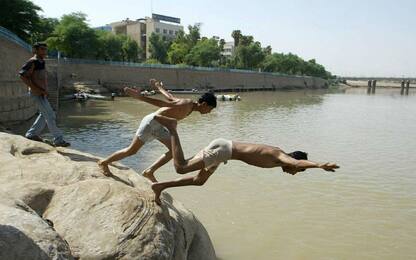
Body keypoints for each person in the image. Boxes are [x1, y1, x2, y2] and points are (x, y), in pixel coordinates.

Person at [151, 116, 340, 204]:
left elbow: (295, 163)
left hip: (225, 153)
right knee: (182, 167)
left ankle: (160, 186)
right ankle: (173, 128)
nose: (293, 173)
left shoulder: (279, 158)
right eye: (297, 171)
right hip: (224, 150)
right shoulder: (280, 157)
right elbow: (297, 163)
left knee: (199, 181)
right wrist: (319, 165)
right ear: (294, 161)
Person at [98, 79, 217, 180]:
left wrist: (159, 87)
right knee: (132, 151)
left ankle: (149, 172)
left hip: (160, 126)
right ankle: (104, 163)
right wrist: (140, 97)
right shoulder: (187, 104)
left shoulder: (190, 107)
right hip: (151, 122)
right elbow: (163, 104)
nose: (209, 112)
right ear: (204, 104)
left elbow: (170, 97)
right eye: (210, 109)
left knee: (173, 152)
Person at [19, 42, 70, 147]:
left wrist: (44, 91)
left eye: (45, 49)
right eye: (42, 49)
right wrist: (36, 89)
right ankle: (58, 139)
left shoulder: (41, 61)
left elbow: (41, 78)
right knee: (50, 115)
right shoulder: (32, 62)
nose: (44, 51)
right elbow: (23, 76)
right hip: (37, 93)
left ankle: (31, 134)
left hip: (42, 93)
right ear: (35, 50)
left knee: (44, 114)